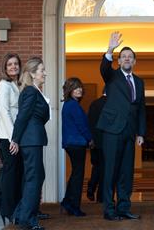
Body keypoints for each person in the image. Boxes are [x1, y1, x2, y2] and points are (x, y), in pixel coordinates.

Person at [97, 31, 146, 221]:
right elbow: (104, 68)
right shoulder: (112, 76)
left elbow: (141, 108)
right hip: (112, 129)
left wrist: (141, 133)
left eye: (130, 57)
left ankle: (124, 207)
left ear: (134, 62)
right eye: (123, 56)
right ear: (118, 61)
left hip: (129, 131)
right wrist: (110, 49)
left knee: (126, 172)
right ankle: (109, 210)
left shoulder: (140, 82)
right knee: (111, 170)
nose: (127, 59)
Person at [10, 57, 50, 230]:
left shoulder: (34, 90)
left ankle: (21, 214)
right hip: (30, 140)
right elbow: (22, 117)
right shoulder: (31, 92)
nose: (45, 73)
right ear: (33, 74)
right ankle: (28, 219)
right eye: (42, 70)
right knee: (34, 178)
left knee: (34, 177)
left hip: (33, 139)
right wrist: (15, 139)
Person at [0, 53, 23, 225]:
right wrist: (14, 139)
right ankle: (7, 211)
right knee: (11, 176)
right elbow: (4, 112)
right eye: (9, 64)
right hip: (7, 137)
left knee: (17, 174)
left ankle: (14, 209)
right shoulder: (3, 85)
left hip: (15, 136)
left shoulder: (16, 85)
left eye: (16, 64)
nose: (13, 67)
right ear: (5, 67)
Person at [61, 77, 93, 217]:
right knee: (78, 176)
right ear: (69, 90)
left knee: (75, 174)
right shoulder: (73, 105)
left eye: (80, 87)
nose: (79, 89)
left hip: (71, 143)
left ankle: (68, 202)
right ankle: (73, 206)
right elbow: (82, 126)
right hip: (76, 143)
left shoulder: (68, 104)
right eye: (75, 87)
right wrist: (90, 139)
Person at [87, 88, 107, 203]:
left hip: (94, 141)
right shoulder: (110, 103)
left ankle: (91, 187)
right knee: (105, 168)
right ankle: (101, 196)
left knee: (97, 166)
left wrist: (90, 140)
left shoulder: (94, 103)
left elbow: (89, 122)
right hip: (105, 141)